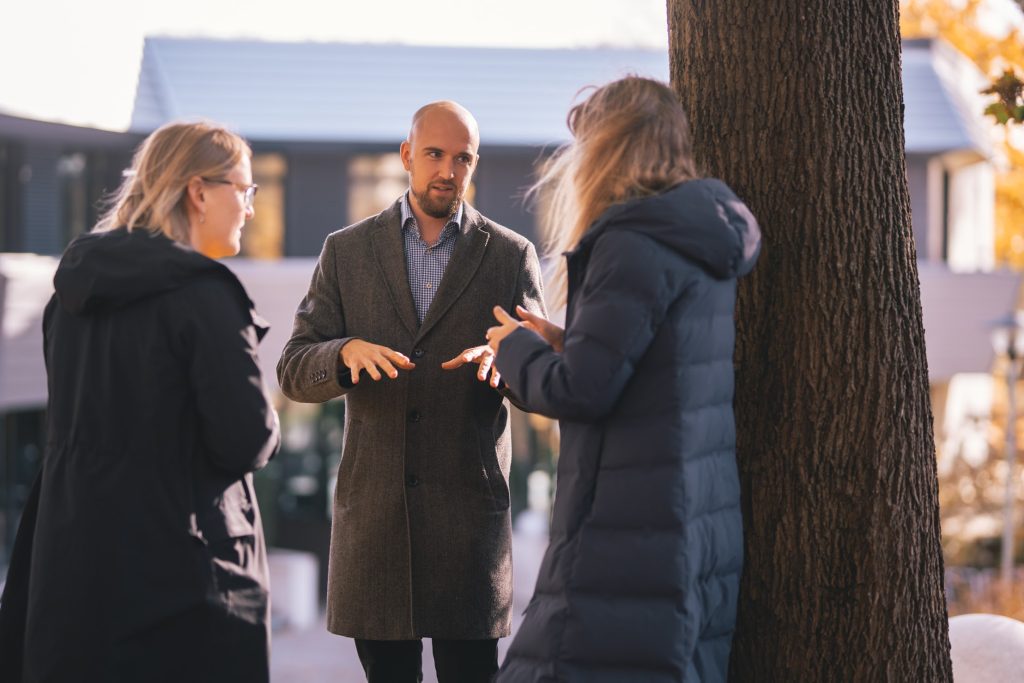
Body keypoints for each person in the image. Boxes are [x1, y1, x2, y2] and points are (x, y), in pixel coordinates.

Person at [486, 76, 762, 682]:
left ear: (608, 149)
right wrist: (563, 341)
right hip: (685, 522)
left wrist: (514, 351)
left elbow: (580, 391)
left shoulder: (630, 243)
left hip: (625, 534)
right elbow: (655, 365)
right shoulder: (696, 238)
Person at [0, 122, 281, 682]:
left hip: (74, 566)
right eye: (245, 190)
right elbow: (244, 438)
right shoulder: (207, 296)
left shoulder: (73, 294)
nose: (250, 209)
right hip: (181, 581)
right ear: (199, 192)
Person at [277, 100, 545, 682]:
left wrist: (511, 360)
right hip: (375, 534)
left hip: (468, 533)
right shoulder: (345, 251)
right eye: (434, 154)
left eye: (462, 158)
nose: (447, 170)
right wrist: (342, 353)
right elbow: (293, 368)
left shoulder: (510, 256)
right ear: (406, 156)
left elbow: (543, 386)